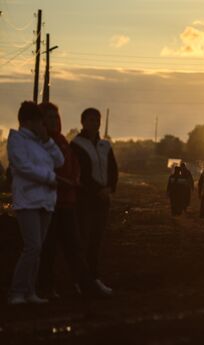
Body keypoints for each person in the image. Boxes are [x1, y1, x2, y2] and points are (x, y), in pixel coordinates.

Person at [37, 102, 107, 299]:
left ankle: (85, 285)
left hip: (67, 202)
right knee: (48, 248)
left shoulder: (61, 141)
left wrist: (74, 179)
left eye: (56, 117)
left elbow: (74, 164)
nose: (54, 121)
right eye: (49, 117)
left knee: (74, 245)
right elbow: (47, 170)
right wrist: (68, 181)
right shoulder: (41, 143)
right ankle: (46, 287)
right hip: (49, 202)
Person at [7, 101, 64, 305]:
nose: (43, 125)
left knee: (37, 248)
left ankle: (30, 292)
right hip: (27, 200)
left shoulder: (42, 142)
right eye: (40, 121)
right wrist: (49, 178)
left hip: (45, 201)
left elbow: (60, 161)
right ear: (29, 121)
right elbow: (23, 167)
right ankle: (17, 292)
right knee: (32, 247)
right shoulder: (16, 140)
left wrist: (48, 140)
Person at [71, 108, 118, 296]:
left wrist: (109, 188)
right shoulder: (76, 144)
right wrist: (96, 190)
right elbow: (78, 172)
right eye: (91, 120)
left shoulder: (105, 145)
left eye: (97, 120)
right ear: (83, 122)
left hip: (103, 199)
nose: (95, 123)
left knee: (96, 241)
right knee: (83, 238)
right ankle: (80, 280)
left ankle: (93, 278)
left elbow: (113, 170)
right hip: (85, 199)